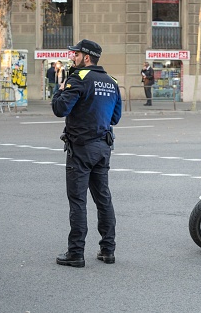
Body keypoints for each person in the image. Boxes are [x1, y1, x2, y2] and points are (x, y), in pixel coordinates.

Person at [52, 39, 122, 268]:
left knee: (78, 201)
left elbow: (60, 109)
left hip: (81, 149)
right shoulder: (111, 82)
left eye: (76, 54)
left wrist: (59, 89)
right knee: (103, 199)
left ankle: (76, 253)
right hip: (103, 148)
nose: (73, 57)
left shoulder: (78, 78)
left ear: (87, 57)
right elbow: (115, 118)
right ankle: (108, 250)